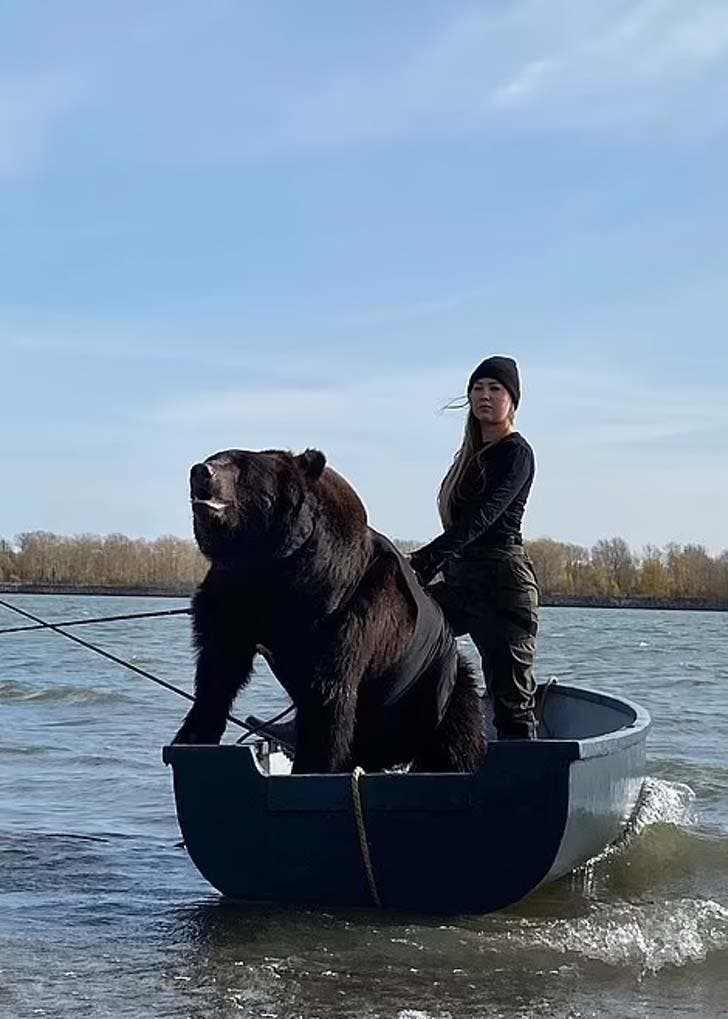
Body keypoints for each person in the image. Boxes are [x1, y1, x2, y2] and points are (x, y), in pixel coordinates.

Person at [408, 355, 539, 740]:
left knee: (511, 698)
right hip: (461, 581)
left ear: (512, 401)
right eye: (478, 388)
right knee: (403, 637)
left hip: (503, 586)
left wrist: (426, 558)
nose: (485, 395)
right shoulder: (467, 457)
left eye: (495, 389)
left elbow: (482, 519)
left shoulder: (517, 454)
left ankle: (522, 781)